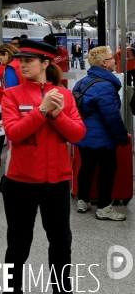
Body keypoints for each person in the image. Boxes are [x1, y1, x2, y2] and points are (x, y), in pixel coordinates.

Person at [1, 39, 86, 293]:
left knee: (61, 243)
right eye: (21, 61)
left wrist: (58, 115)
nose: (22, 65)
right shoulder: (11, 94)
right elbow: (14, 133)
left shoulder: (65, 95)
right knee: (18, 244)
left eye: (29, 61)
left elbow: (78, 134)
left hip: (57, 182)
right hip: (20, 182)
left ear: (46, 64)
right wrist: (41, 111)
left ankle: (62, 289)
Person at [74, 46, 129, 221]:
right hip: (103, 138)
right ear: (104, 63)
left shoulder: (82, 82)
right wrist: (122, 138)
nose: (115, 60)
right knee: (108, 169)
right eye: (112, 58)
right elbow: (112, 117)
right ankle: (104, 207)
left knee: (86, 168)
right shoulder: (106, 86)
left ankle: (83, 201)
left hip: (84, 135)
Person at [0, 43, 23, 192]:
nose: (1, 63)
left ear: (6, 55)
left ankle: (9, 182)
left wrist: (6, 118)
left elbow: (11, 94)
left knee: (12, 150)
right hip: (26, 112)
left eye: (1, 58)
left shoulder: (10, 68)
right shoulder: (22, 65)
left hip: (15, 115)